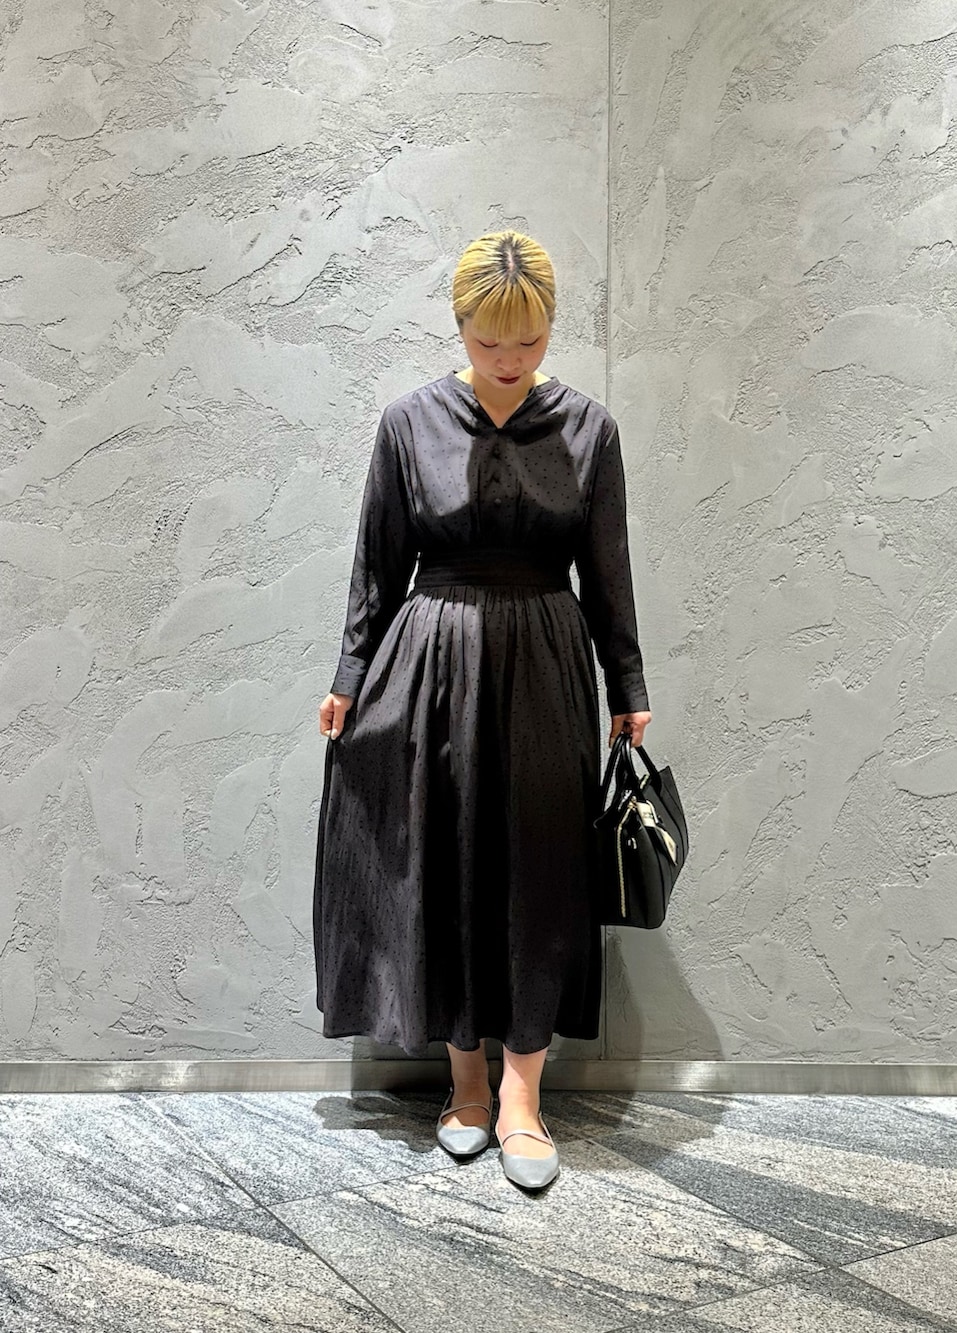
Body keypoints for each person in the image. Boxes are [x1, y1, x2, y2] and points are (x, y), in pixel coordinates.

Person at [313, 230, 651, 1190]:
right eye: (489, 340)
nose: (508, 359)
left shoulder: (589, 431)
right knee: (449, 861)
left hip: (547, 661)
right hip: (432, 663)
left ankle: (522, 1096)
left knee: (542, 871)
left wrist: (628, 686)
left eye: (529, 341)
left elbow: (608, 570)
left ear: (551, 328)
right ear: (460, 325)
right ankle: (464, 1085)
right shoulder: (408, 423)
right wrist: (349, 676)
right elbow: (378, 563)